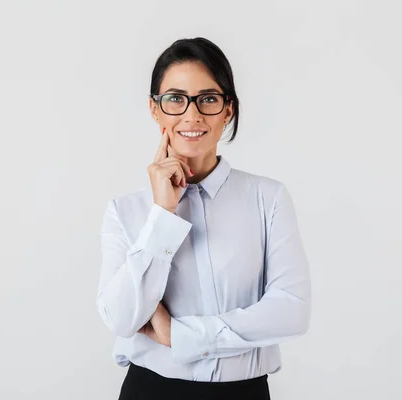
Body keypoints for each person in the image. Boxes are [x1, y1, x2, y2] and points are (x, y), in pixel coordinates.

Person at [96, 37, 311, 400]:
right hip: (150, 391)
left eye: (208, 99)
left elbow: (292, 311)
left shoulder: (268, 199)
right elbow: (121, 319)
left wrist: (178, 335)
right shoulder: (126, 211)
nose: (191, 115)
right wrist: (162, 214)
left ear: (228, 110)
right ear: (155, 109)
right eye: (175, 99)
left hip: (244, 393)